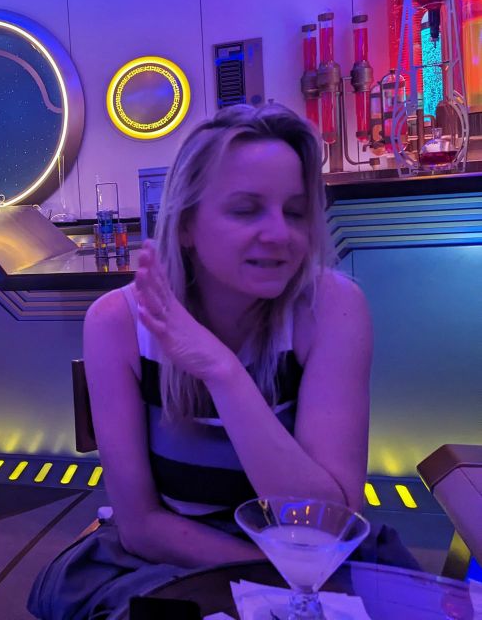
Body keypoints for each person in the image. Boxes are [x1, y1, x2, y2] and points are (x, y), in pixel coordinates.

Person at [29, 103, 414, 620]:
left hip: (313, 560)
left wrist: (224, 373)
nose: (279, 234)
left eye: (295, 212)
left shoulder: (332, 308)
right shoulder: (115, 324)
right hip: (169, 563)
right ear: (186, 224)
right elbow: (141, 525)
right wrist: (271, 577)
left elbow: (323, 526)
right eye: (246, 209)